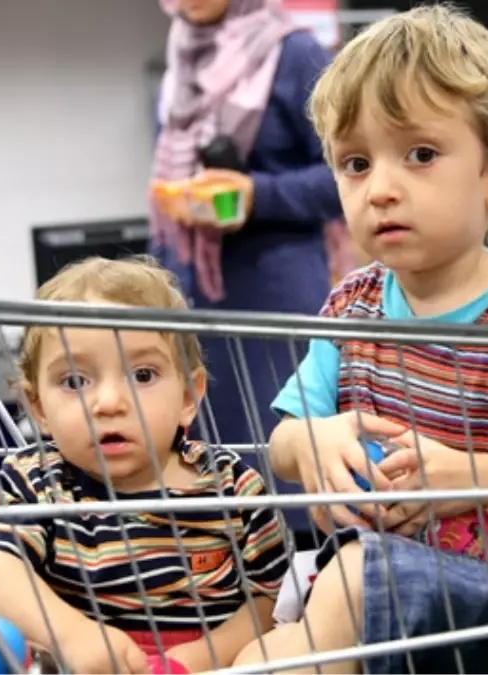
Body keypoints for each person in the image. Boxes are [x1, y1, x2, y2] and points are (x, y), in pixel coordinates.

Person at [232, 6, 488, 674]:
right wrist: (313, 437)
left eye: (419, 154)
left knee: (348, 586)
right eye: (355, 163)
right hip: (395, 588)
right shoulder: (351, 305)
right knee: (265, 642)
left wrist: (467, 475)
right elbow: (282, 440)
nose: (381, 189)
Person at [0, 256, 289, 674]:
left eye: (142, 375)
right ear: (39, 407)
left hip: (206, 664)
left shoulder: (230, 485)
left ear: (189, 396)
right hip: (80, 664)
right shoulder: (39, 479)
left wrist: (189, 661)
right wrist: (75, 638)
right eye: (75, 381)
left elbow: (272, 597)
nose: (109, 404)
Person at [148, 0, 343, 547]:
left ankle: (315, 595)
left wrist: (256, 196)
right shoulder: (180, 57)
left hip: (277, 297)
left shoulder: (295, 52)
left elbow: (347, 173)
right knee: (218, 476)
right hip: (198, 296)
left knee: (289, 462)